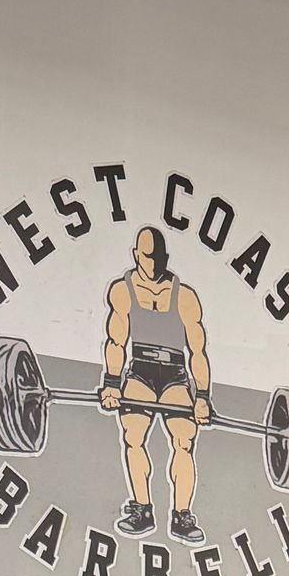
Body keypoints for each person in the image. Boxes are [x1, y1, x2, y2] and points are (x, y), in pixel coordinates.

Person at [99, 227, 211, 543]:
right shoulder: (122, 291)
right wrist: (111, 384)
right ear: (136, 255)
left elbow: (198, 350)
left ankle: (182, 517)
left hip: (175, 374)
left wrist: (202, 397)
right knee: (133, 436)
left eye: (158, 257)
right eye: (147, 256)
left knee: (184, 440)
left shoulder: (185, 296)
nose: (153, 263)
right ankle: (142, 509)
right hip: (140, 372)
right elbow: (116, 341)